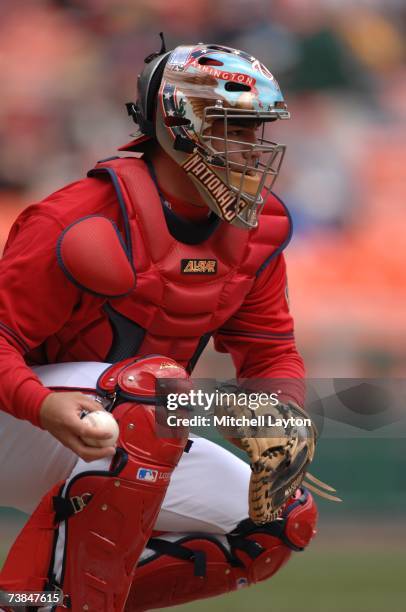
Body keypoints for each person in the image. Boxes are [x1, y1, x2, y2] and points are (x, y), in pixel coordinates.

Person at [0, 40, 319, 611]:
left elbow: (270, 351)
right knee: (151, 395)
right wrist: (41, 405)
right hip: (18, 416)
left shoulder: (257, 229)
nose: (254, 149)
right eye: (235, 128)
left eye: (258, 131)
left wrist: (283, 415)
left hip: (119, 422)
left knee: (277, 522)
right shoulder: (76, 219)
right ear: (181, 127)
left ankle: (34, 602)